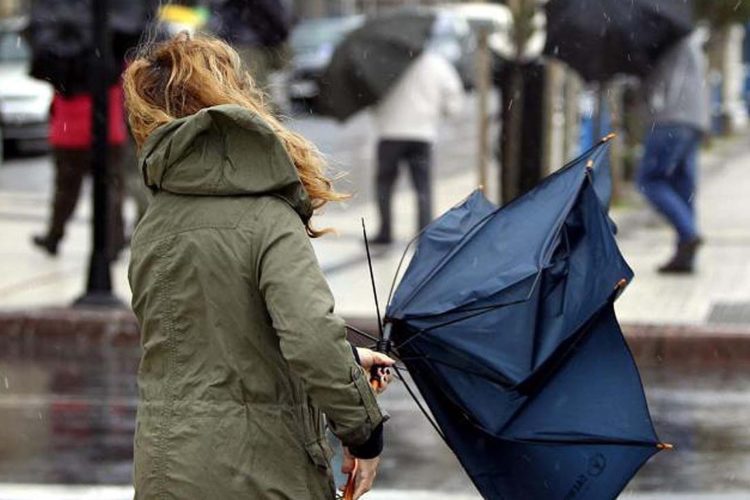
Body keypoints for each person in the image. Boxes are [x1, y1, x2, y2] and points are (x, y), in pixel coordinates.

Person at [123, 33, 393, 500]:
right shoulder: (268, 218)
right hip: (262, 474)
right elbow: (308, 337)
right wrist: (362, 431)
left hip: (166, 472)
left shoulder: (156, 223)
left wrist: (346, 360)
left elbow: (212, 347)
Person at [371, 50, 465, 245]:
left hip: (390, 133)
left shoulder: (384, 62)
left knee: (384, 185)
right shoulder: (435, 63)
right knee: (422, 187)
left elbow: (371, 94)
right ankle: (424, 233)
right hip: (422, 134)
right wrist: (441, 113)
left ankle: (385, 231)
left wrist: (379, 114)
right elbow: (454, 97)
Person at [638, 30, 710, 274]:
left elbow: (655, 82)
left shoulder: (664, 36)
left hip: (670, 118)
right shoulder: (689, 37)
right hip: (694, 118)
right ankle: (685, 256)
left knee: (650, 180)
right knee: (682, 186)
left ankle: (688, 234)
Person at [32, 86, 127, 257]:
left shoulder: (64, 59)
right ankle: (115, 241)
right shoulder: (113, 60)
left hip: (70, 129)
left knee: (65, 191)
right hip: (107, 126)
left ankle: (54, 236)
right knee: (110, 189)